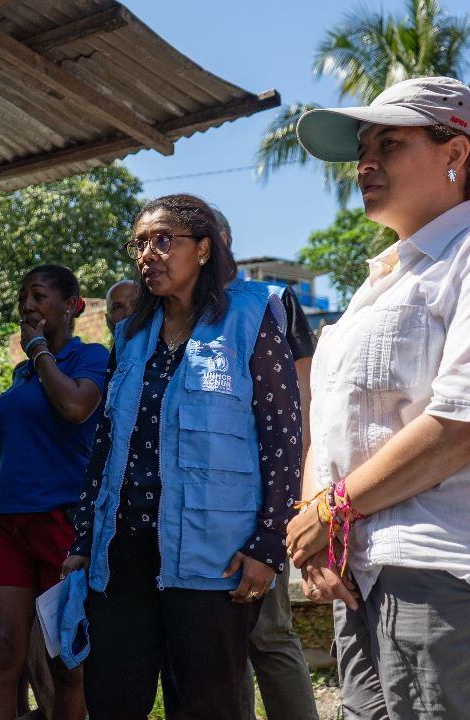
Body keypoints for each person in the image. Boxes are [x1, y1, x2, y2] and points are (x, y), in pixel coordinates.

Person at [288, 77, 470, 719]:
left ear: (455, 153)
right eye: (363, 149)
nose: (365, 163)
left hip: (452, 567)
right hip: (363, 571)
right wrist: (318, 526)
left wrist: (330, 510)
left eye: (389, 143)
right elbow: (327, 422)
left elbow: (466, 421)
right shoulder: (377, 284)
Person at [62, 193, 303, 719]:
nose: (147, 254)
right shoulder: (130, 334)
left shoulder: (252, 316)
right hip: (122, 550)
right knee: (112, 700)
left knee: (207, 706)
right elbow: (105, 444)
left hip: (213, 556)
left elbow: (283, 437)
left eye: (163, 240)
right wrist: (84, 538)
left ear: (203, 249)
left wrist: (269, 544)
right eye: (139, 244)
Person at [0, 264, 108, 720]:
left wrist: (38, 351)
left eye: (38, 296)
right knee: (1, 654)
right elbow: (11, 451)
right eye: (22, 300)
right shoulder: (22, 374)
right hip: (8, 524)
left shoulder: (90, 358)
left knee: (67, 663)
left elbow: (75, 407)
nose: (27, 307)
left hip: (62, 523)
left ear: (70, 305)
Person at [214, 208, 320, 720]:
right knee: (221, 638)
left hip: (265, 490)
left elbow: (303, 397)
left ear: (219, 242)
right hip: (206, 498)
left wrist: (294, 493)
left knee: (269, 631)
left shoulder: (271, 300)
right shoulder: (177, 311)